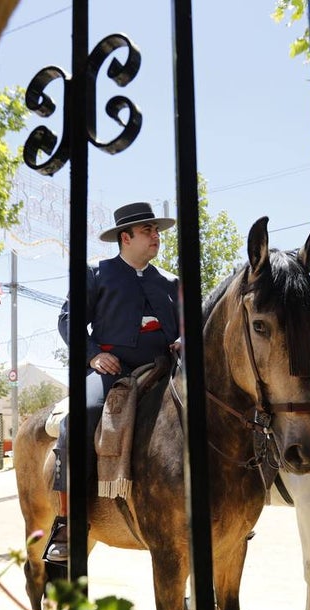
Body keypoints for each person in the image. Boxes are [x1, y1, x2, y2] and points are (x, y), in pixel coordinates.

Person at [46, 201, 181, 564]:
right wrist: (91, 354)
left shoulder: (171, 282)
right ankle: (68, 523)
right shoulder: (96, 274)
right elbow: (68, 319)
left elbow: (186, 328)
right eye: (148, 230)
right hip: (110, 370)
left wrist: (183, 340)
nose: (156, 236)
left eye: (156, 230)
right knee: (79, 420)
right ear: (126, 237)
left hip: (164, 369)